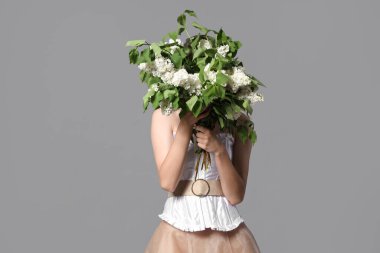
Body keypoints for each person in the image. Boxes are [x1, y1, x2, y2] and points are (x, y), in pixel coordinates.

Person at [144, 106, 261, 253]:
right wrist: (184, 129)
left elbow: (236, 196)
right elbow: (168, 183)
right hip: (176, 229)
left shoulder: (240, 120)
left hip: (226, 232)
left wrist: (219, 151)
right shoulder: (165, 115)